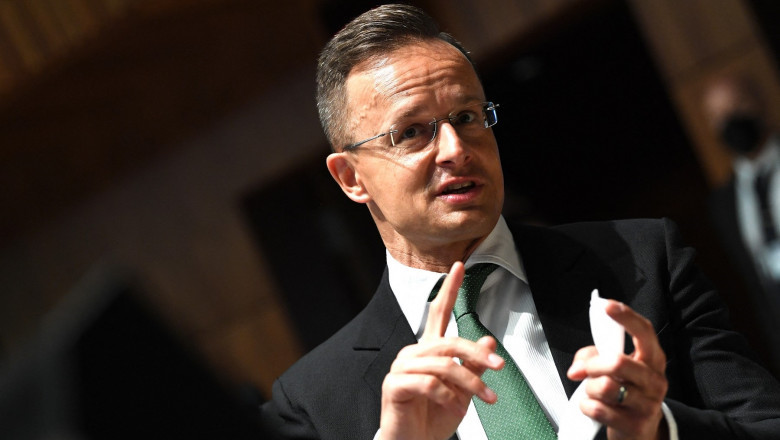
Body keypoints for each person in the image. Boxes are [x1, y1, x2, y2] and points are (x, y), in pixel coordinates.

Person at [261, 4, 780, 439]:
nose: (455, 149)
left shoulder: (644, 260)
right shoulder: (310, 401)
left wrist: (660, 428)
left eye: (467, 117)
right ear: (351, 177)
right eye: (413, 132)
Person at [705, 74, 780, 373]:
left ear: (760, 103)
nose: (731, 121)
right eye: (720, 116)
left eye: (738, 107)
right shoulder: (723, 203)